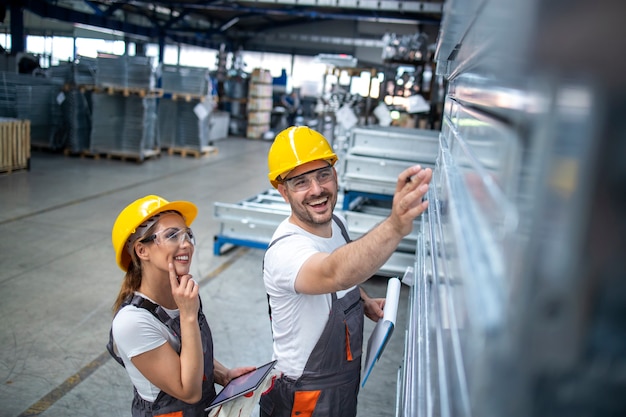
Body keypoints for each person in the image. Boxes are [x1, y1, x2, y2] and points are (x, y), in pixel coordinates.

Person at [259, 126, 433, 417]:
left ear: (335, 174)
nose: (317, 190)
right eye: (301, 182)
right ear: (283, 191)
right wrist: (394, 226)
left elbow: (344, 274)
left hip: (342, 386)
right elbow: (332, 273)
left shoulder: (336, 224)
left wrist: (362, 301)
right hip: (303, 399)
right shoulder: (286, 252)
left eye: (323, 175)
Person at [107, 195, 255, 417]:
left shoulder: (181, 295)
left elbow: (183, 350)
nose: (186, 243)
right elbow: (188, 391)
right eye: (172, 236)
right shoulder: (132, 322)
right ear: (142, 250)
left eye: (187, 234)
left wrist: (223, 375)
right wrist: (187, 315)